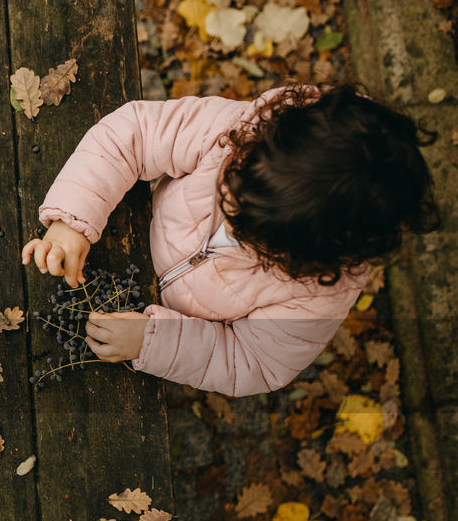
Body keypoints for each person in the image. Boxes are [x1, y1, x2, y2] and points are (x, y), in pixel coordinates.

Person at [22, 83, 437, 396]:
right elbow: (133, 134)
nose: (230, 223)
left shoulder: (319, 295)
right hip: (135, 223)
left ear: (309, 259)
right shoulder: (233, 131)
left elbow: (254, 361)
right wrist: (72, 221)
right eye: (231, 193)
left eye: (251, 236)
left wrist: (152, 341)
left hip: (175, 324)